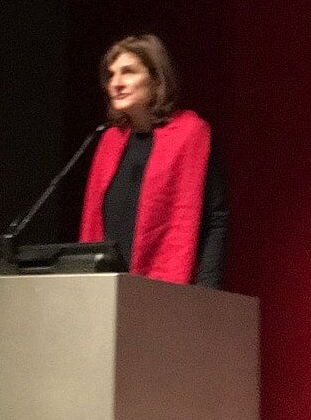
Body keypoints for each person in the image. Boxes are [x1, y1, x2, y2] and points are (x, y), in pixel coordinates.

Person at [79, 33, 228, 287]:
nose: (116, 83)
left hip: (163, 292)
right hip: (106, 290)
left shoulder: (190, 134)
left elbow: (216, 219)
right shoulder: (109, 141)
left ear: (155, 78)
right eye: (111, 74)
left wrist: (206, 289)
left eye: (128, 72)